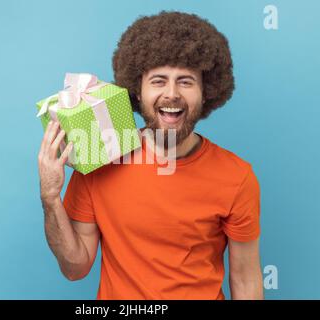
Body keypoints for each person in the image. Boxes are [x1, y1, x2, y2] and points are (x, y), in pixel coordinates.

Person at [38, 11, 263, 300]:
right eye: (158, 81)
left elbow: (245, 280)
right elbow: (75, 268)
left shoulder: (237, 177)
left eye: (186, 81)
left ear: (206, 92)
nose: (172, 94)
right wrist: (50, 197)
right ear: (138, 90)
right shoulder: (100, 160)